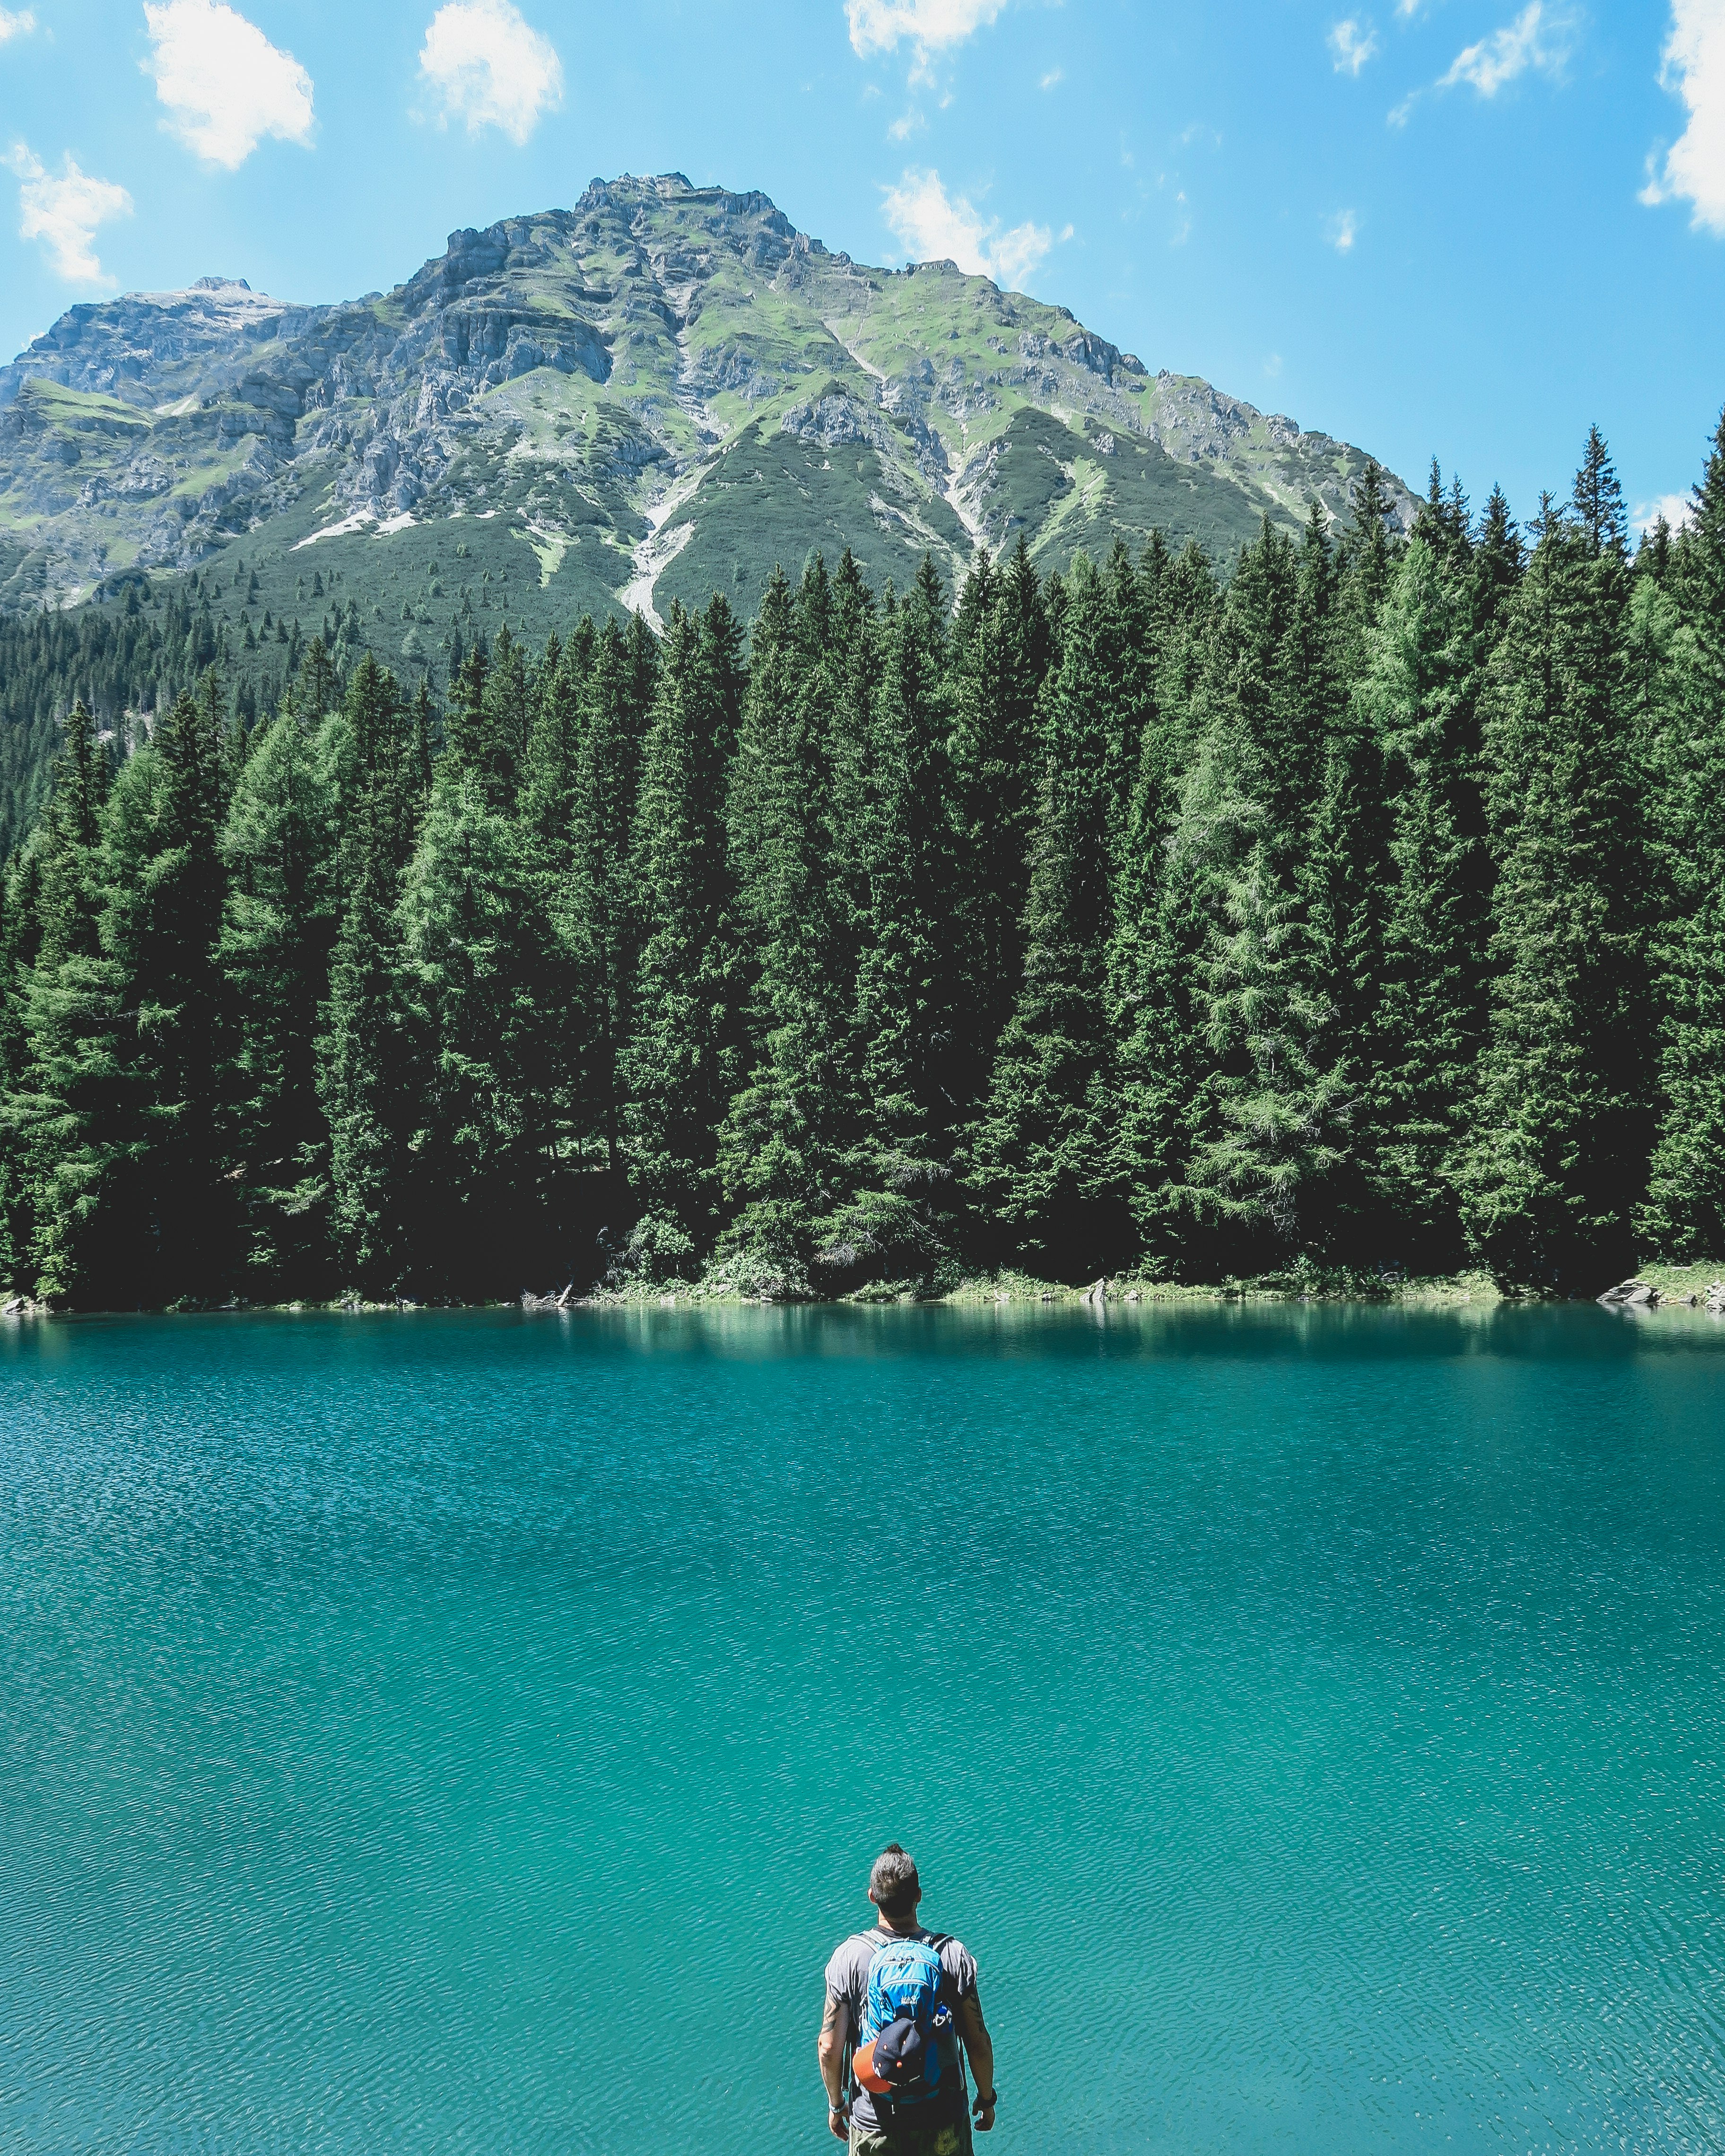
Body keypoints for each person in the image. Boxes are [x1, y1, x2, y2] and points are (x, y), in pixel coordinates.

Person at [818, 1844, 997, 2153]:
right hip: (943, 2119)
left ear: (872, 1897)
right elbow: (977, 2041)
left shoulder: (849, 1958)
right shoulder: (951, 1955)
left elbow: (829, 2046)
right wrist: (986, 2098)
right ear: (919, 1895)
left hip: (876, 2122)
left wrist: (837, 2106)